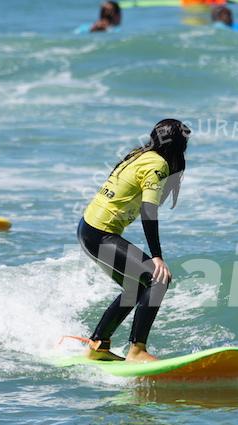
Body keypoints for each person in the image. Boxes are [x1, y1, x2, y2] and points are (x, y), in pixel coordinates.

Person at [77, 119, 190, 363]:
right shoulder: (157, 164)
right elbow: (149, 212)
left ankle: (98, 345)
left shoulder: (141, 154)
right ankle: (137, 350)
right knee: (157, 278)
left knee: (136, 286)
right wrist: (157, 257)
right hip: (100, 234)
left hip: (88, 229)